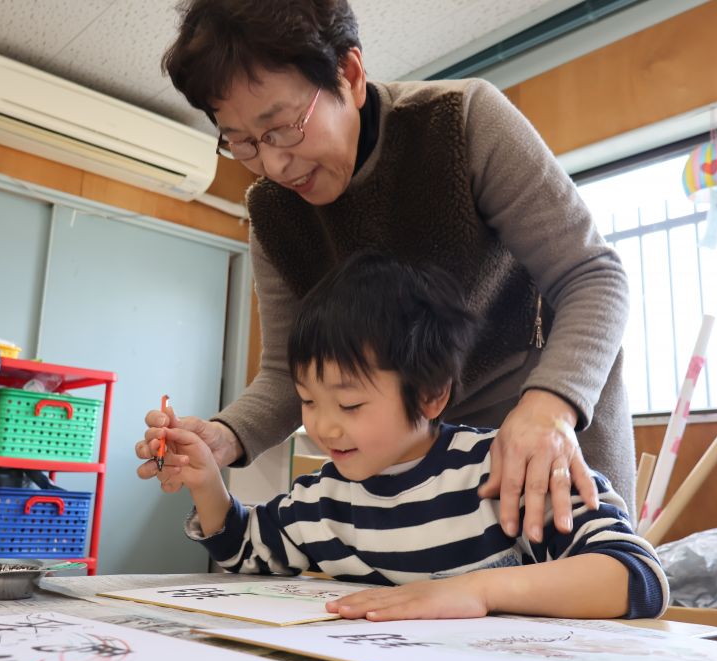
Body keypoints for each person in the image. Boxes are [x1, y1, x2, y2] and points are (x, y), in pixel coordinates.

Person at [142, 0, 636, 541]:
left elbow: (593, 277)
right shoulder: (273, 213)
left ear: (349, 75)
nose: (272, 164)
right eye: (240, 141)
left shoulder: (461, 123)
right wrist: (224, 436)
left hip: (537, 407)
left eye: (281, 128)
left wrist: (549, 408)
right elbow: (290, 370)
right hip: (407, 445)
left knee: (572, 590)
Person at [138, 253, 667, 620]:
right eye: (308, 400)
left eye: (349, 403)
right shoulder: (325, 499)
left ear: (432, 395)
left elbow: (638, 576)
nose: (322, 426)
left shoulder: (502, 472)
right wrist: (206, 480)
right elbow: (245, 550)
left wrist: (477, 591)